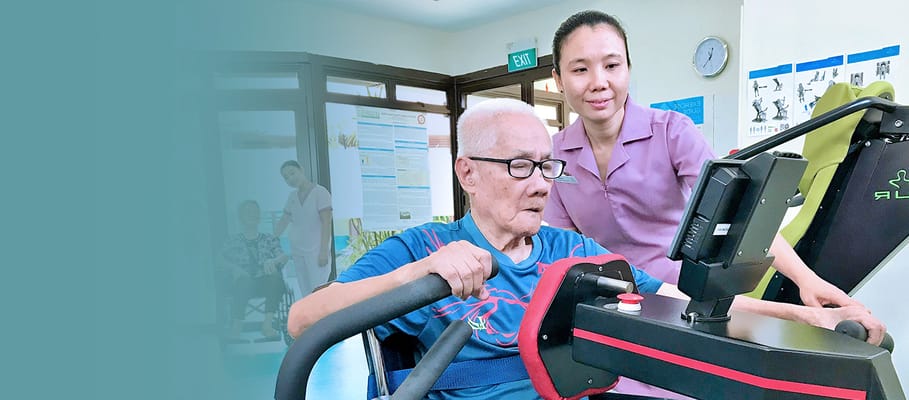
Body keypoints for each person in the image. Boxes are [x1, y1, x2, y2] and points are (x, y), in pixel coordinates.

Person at [287, 98, 884, 400]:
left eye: (546, 166)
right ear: (468, 173)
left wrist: (810, 318)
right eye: (519, 166)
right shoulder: (423, 246)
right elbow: (303, 322)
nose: (540, 184)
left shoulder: (571, 251)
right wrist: (420, 273)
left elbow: (680, 302)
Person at [542, 10, 881, 398]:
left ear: (628, 69)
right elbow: (564, 251)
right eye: (580, 69)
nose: (599, 82)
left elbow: (742, 216)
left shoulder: (670, 131)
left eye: (611, 65)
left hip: (683, 300)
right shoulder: (553, 155)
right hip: (607, 307)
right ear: (558, 79)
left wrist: (807, 282)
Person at [221, 200, 289, 341]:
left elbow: (283, 257)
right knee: (243, 281)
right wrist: (234, 268)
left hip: (265, 282)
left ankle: (267, 325)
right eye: (248, 212)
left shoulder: (269, 239)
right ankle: (236, 327)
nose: (253, 215)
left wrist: (273, 261)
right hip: (242, 283)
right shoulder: (233, 241)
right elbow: (219, 260)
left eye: (255, 212)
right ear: (241, 217)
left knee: (275, 279)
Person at [274, 160, 333, 296]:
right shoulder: (292, 197)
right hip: (297, 251)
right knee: (305, 292)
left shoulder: (320, 192)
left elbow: (326, 222)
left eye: (292, 173)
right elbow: (284, 220)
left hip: (316, 252)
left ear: (301, 169)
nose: (290, 179)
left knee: (318, 291)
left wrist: (324, 251)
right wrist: (271, 238)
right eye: (286, 177)